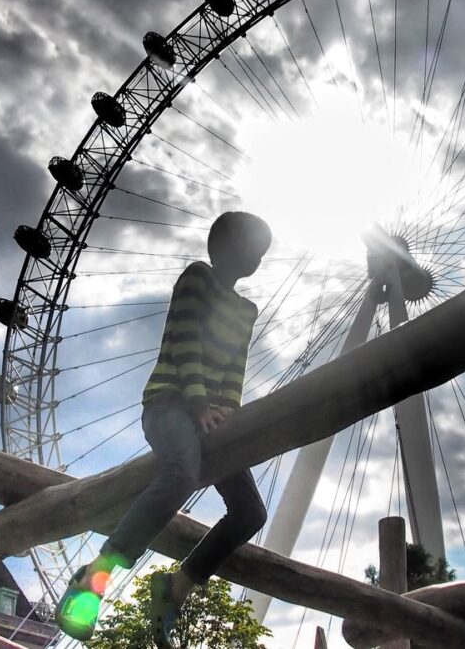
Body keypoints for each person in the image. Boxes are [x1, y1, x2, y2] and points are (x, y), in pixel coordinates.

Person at [55, 211, 272, 648]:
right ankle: (93, 577)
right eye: (255, 247)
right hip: (169, 403)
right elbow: (186, 340)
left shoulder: (247, 310)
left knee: (251, 512)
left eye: (263, 253)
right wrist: (198, 404)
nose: (259, 259)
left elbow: (235, 370)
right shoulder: (197, 278)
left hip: (212, 419)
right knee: (180, 472)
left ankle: (175, 590)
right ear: (227, 245)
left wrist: (228, 410)